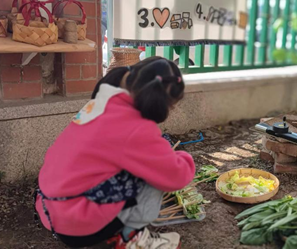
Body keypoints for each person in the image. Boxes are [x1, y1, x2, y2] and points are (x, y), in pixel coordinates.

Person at [34, 57, 195, 249]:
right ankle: (129, 237)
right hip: (76, 224)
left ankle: (118, 232)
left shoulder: (102, 103)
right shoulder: (136, 127)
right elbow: (175, 176)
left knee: (140, 167)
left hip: (51, 208)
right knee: (154, 177)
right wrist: (181, 157)